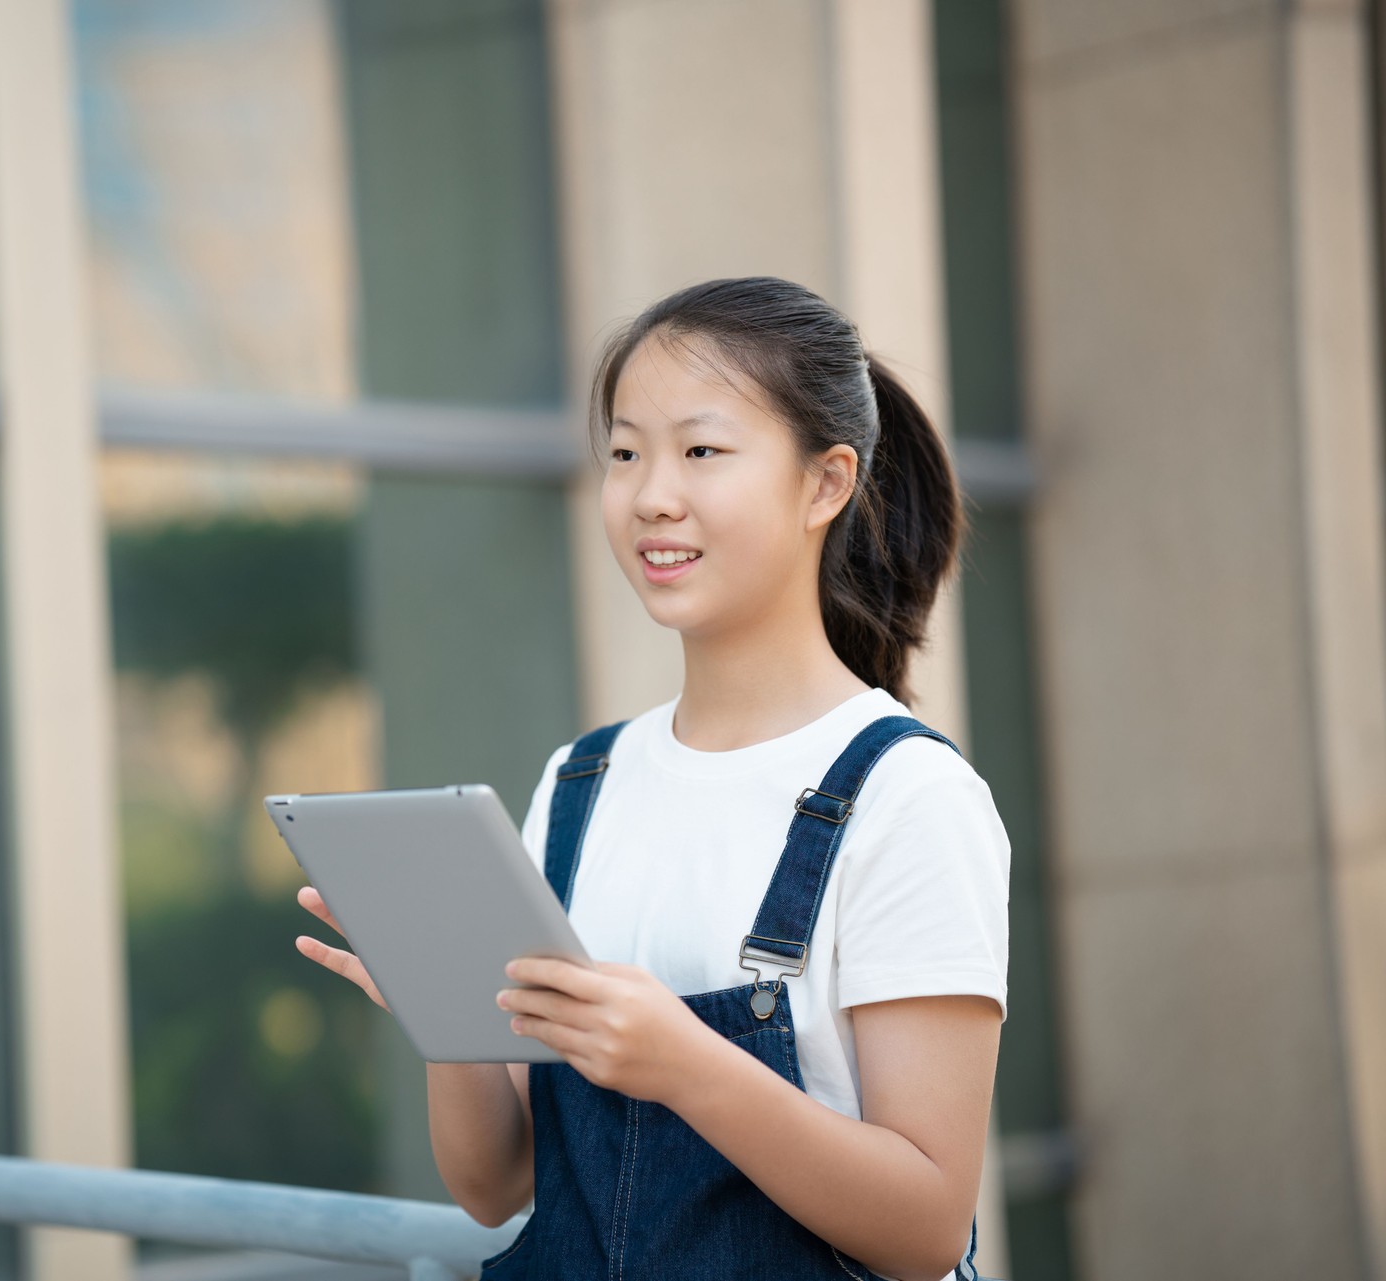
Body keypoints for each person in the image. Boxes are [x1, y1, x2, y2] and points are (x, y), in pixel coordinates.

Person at [294, 276, 1009, 1281]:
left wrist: (684, 1065)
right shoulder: (583, 782)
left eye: (701, 451)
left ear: (824, 483)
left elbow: (927, 1227)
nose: (650, 494)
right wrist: (442, 1013)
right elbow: (498, 1184)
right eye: (624, 453)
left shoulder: (908, 798)